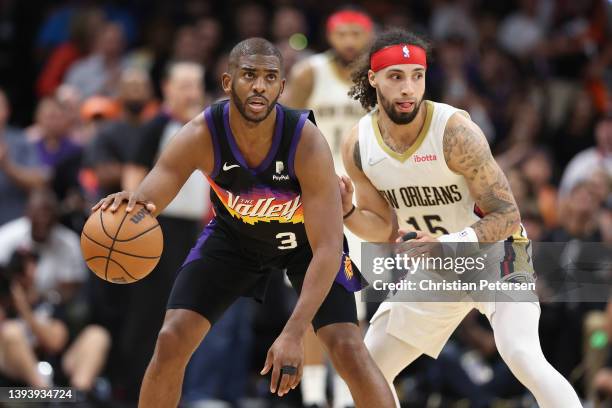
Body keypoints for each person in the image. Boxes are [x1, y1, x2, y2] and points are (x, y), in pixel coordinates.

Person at [93, 38, 395, 408]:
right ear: (227, 82)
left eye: (270, 77)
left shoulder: (306, 141)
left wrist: (293, 333)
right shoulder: (202, 133)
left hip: (307, 246)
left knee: (348, 347)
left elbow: (329, 249)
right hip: (234, 240)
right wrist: (131, 208)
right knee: (171, 339)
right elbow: (156, 188)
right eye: (249, 75)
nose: (259, 85)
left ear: (282, 88)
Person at [339, 28, 582, 407]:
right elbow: (383, 229)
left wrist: (451, 243)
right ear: (374, 80)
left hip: (495, 252)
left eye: (416, 76)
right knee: (368, 368)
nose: (408, 88)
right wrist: (349, 212)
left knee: (523, 356)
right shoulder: (358, 144)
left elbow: (507, 213)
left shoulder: (455, 132)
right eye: (396, 77)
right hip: (437, 263)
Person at [282, 11, 372, 407]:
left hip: (360, 200)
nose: (350, 40)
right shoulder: (309, 73)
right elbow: (282, 128)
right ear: (330, 34)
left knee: (357, 303)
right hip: (315, 197)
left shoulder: (378, 78)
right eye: (343, 33)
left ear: (368, 36)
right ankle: (315, 397)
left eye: (357, 33)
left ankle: (348, 398)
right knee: (311, 299)